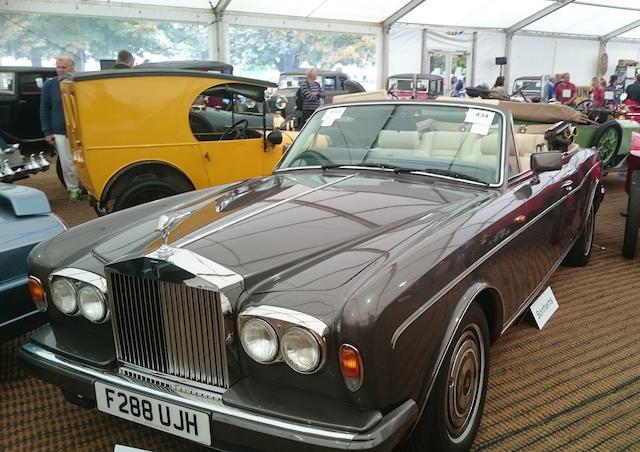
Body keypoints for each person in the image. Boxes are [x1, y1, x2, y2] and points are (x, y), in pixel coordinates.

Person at [40, 56, 81, 202]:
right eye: (58, 67)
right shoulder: (49, 86)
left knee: (84, 161)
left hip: (82, 130)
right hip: (59, 130)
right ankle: (73, 189)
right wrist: (47, 131)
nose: (60, 70)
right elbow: (44, 109)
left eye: (63, 67)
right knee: (67, 163)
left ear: (72, 68)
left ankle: (90, 188)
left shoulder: (80, 83)